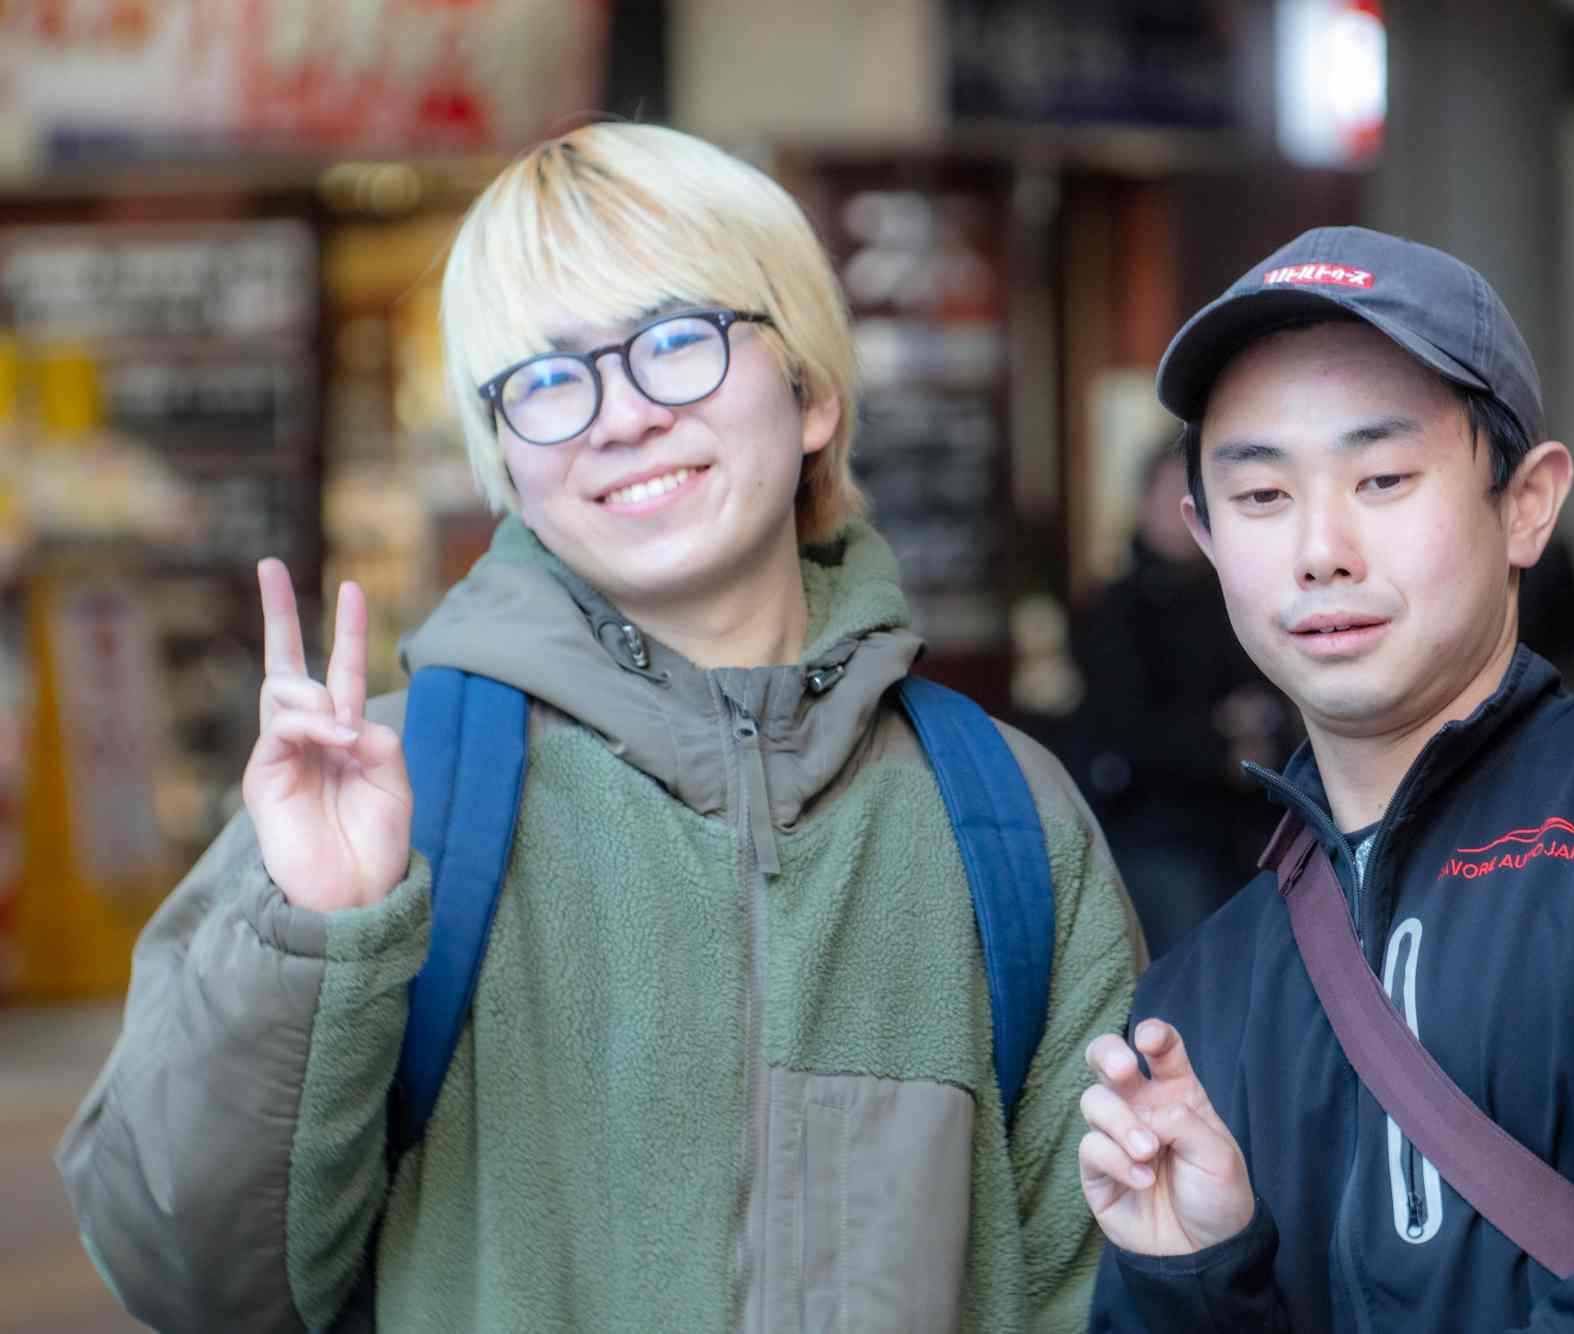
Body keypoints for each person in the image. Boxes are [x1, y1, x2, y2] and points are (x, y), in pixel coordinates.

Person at [57, 122, 1143, 1333]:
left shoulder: (1002, 819)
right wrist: (313, 941)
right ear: (508, 462)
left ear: (812, 392)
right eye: (546, 378)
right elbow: (184, 1278)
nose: (619, 417)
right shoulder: (389, 796)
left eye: (675, 340)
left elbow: (1092, 1290)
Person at [1076, 227, 1574, 1331]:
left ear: (1527, 503)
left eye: (1382, 477)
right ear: (1205, 537)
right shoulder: (1199, 993)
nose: (1320, 549)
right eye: (1261, 495)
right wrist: (1203, 1277)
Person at [1069, 438, 1298, 957]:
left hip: (1252, 834)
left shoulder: (1242, 597)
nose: (1183, 510)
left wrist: (1255, 730)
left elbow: (1276, 702)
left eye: (1196, 494)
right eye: (1170, 492)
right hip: (1159, 837)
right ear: (1144, 500)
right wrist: (1224, 743)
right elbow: (1121, 731)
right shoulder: (1114, 608)